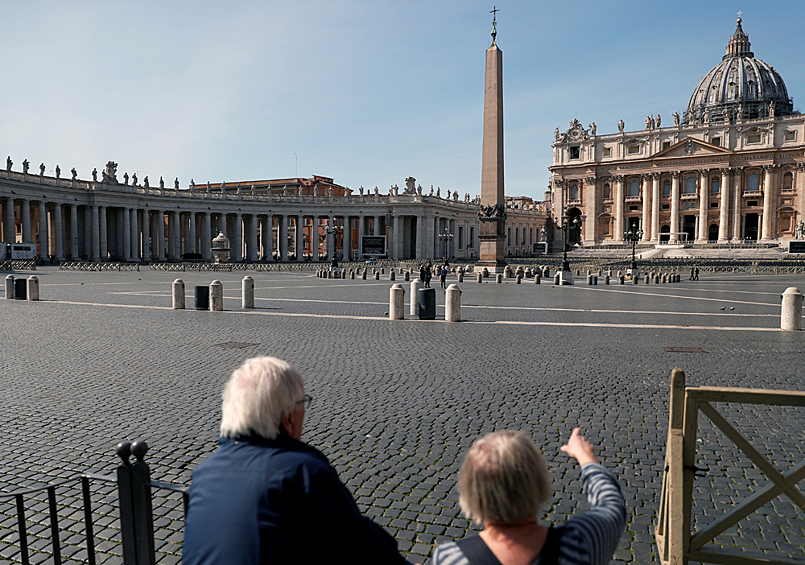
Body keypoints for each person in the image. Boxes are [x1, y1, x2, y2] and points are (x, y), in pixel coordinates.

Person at [183, 357, 411, 565]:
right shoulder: (302, 472)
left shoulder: (203, 474)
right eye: (304, 402)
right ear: (288, 419)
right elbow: (361, 545)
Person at [431, 429, 625, 565]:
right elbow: (611, 503)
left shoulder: (450, 558)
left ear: (470, 493)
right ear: (540, 482)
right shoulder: (583, 541)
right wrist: (586, 457)